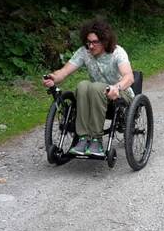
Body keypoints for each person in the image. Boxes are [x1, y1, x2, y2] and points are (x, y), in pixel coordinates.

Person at [43, 19, 134, 156]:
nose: (90, 46)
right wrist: (54, 77)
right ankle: (83, 138)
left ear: (104, 41)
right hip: (95, 94)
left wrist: (117, 87)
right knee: (82, 85)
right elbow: (65, 71)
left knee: (96, 87)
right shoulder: (84, 52)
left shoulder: (117, 52)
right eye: (88, 42)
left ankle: (96, 140)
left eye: (94, 42)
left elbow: (129, 77)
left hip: (119, 93)